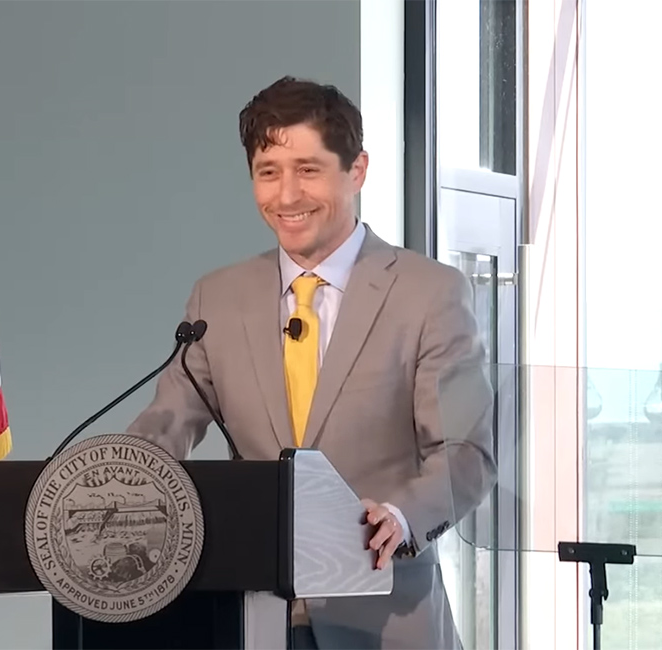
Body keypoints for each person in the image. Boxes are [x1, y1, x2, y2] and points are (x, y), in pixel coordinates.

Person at [126, 76, 496, 649]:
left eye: (308, 169)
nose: (287, 195)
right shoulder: (216, 298)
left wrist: (400, 517)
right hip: (248, 620)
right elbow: (167, 424)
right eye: (268, 172)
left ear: (358, 170)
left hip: (387, 617)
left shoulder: (431, 294)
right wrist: (115, 485)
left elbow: (466, 455)